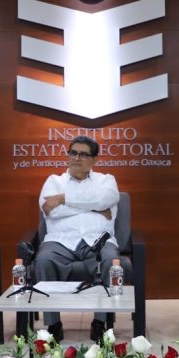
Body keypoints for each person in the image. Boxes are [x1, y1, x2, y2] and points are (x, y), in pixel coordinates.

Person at [33, 135, 120, 343]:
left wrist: (63, 199)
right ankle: (53, 324)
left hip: (98, 241)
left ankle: (100, 323)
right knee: (43, 260)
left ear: (94, 159)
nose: (77, 158)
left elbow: (106, 199)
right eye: (73, 153)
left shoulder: (106, 180)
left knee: (110, 260)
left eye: (83, 154)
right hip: (60, 241)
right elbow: (50, 210)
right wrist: (96, 207)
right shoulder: (54, 181)